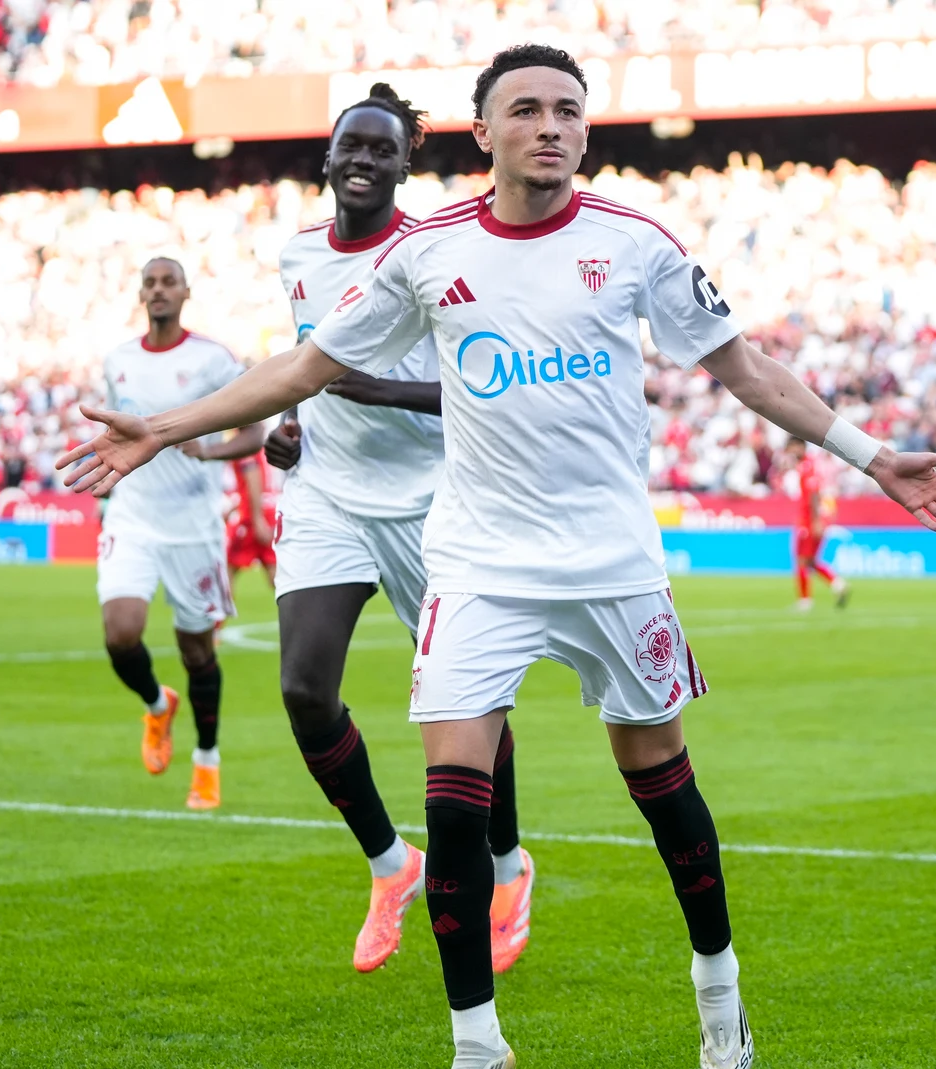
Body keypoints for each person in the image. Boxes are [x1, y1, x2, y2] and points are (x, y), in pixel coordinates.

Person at [57, 43, 936, 1069]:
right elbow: (308, 365)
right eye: (527, 109)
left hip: (612, 563)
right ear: (483, 132)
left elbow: (746, 370)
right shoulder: (428, 252)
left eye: (567, 111)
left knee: (662, 787)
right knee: (453, 802)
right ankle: (477, 1045)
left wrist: (872, 455)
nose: (550, 126)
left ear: (585, 131)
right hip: (478, 565)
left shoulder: (635, 243)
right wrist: (162, 427)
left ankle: (718, 994)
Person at [262, 83, 535, 976]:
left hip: (433, 501)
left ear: (404, 166)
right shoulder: (297, 254)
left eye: (385, 149)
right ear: (329, 157)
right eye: (354, 145)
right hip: (327, 496)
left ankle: (507, 866)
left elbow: (487, 382)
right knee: (305, 689)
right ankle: (391, 863)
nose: (366, 160)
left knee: (472, 705)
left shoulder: (435, 253)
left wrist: (378, 390)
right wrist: (288, 426)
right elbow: (307, 364)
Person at [95, 257, 264, 811]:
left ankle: (207, 760)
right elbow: (113, 432)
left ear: (186, 292)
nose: (159, 290)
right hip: (132, 516)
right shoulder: (118, 361)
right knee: (120, 634)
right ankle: (156, 703)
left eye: (169, 282)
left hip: (193, 526)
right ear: (140, 294)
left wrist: (208, 450)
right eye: (150, 282)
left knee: (197, 651)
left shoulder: (212, 360)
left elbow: (255, 433)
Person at [780, 436, 849, 610]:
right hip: (810, 518)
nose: (791, 451)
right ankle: (838, 584)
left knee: (802, 560)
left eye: (793, 447)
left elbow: (814, 495)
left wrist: (816, 521)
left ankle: (805, 601)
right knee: (810, 561)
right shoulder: (806, 465)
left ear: (800, 446)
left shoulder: (808, 466)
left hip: (809, 520)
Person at [224, 451, 276, 588]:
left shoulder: (245, 447)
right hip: (267, 510)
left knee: (224, 572)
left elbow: (252, 472)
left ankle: (218, 603)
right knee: (277, 576)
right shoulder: (259, 446)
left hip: (249, 517)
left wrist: (257, 517)